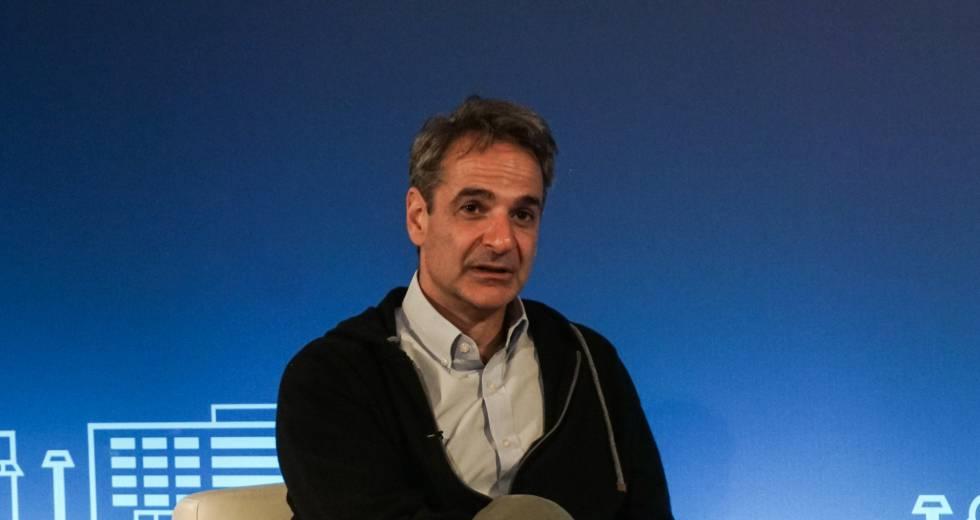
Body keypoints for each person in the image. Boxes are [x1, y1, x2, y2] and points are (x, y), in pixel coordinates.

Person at [276, 96, 674, 520]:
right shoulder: (331, 377)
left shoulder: (588, 360)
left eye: (522, 215)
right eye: (473, 208)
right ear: (418, 217)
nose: (502, 240)